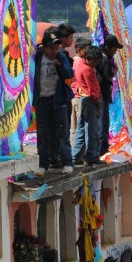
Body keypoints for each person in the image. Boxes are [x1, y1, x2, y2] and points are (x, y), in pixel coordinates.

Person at [31, 31, 74, 172]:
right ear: (44, 47)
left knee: (62, 133)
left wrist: (60, 66)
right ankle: (43, 164)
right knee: (43, 134)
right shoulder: (37, 58)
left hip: (58, 100)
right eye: (51, 48)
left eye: (56, 48)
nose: (54, 51)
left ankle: (67, 163)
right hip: (42, 100)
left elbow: (69, 74)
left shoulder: (61, 57)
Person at [71, 43, 103, 167]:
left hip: (82, 99)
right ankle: (92, 157)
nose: (96, 63)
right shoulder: (88, 70)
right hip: (90, 100)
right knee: (92, 130)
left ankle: (75, 156)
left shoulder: (79, 65)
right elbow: (92, 89)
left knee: (81, 129)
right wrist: (97, 102)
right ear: (89, 59)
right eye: (95, 61)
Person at [95, 34, 121, 156]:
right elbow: (107, 76)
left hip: (100, 93)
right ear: (107, 47)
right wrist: (114, 71)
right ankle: (102, 149)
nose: (116, 51)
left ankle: (101, 148)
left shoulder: (101, 56)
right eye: (114, 48)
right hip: (102, 94)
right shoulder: (105, 59)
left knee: (102, 122)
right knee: (104, 122)